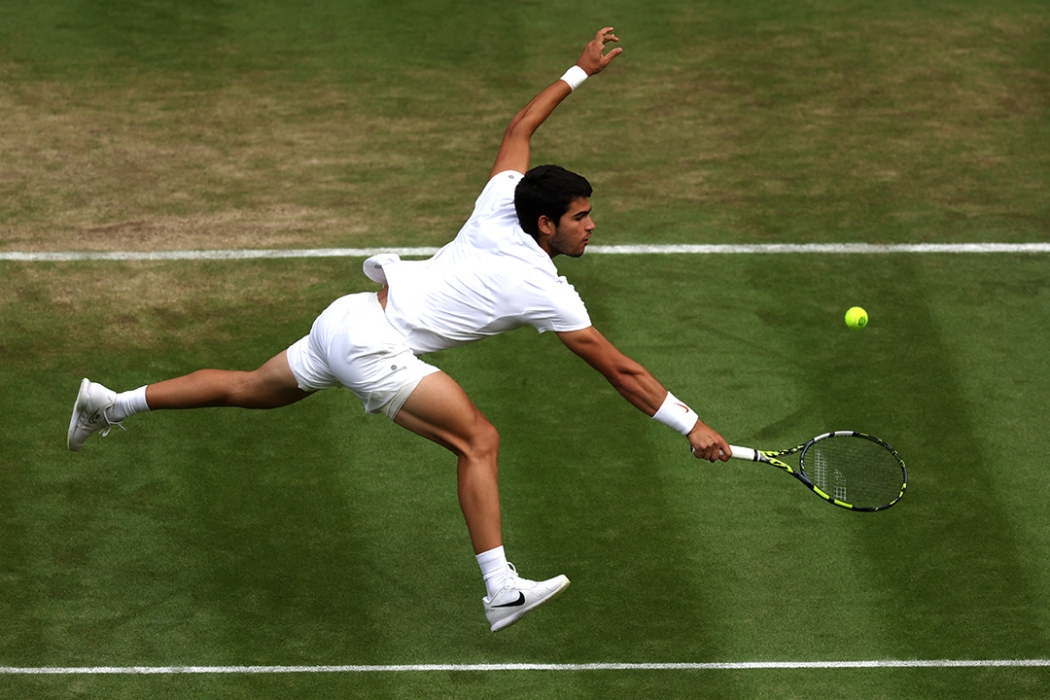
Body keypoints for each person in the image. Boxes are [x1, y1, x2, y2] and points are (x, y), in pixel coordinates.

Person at [67, 27, 732, 633]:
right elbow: (621, 370)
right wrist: (691, 423)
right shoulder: (541, 286)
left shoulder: (503, 200)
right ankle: (502, 589)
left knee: (248, 387)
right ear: (547, 225)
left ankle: (110, 402)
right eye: (582, 216)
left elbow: (519, 126)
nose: (593, 225)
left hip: (348, 317)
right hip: (373, 345)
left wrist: (579, 70)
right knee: (480, 441)